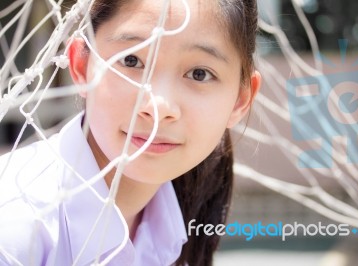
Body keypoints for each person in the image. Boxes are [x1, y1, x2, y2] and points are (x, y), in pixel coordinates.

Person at [0, 0, 260, 265]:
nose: (158, 107)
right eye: (131, 60)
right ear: (80, 65)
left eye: (199, 74)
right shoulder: (13, 231)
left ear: (240, 100)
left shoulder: (178, 224)